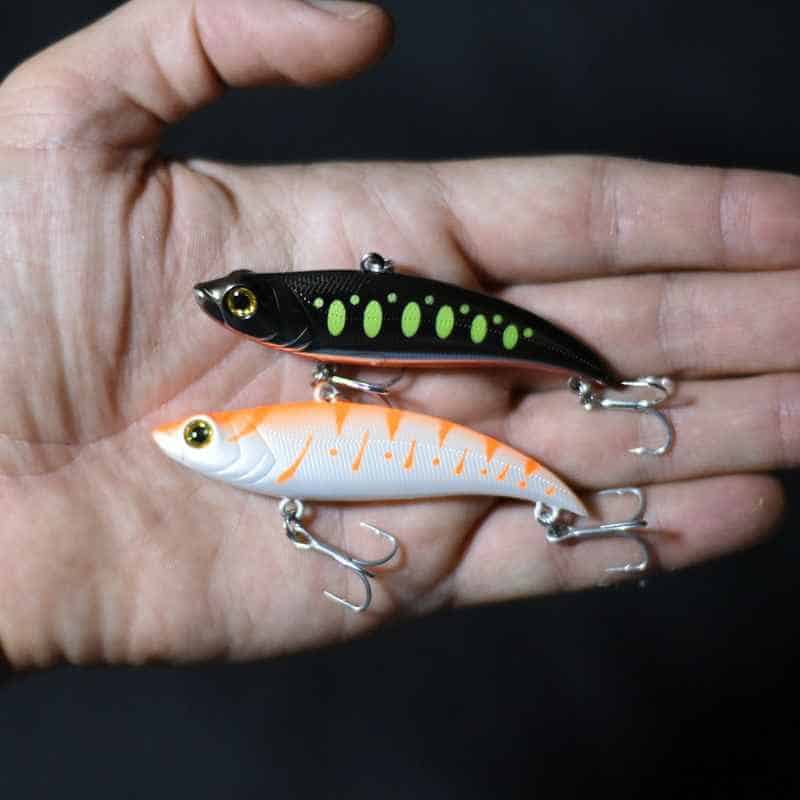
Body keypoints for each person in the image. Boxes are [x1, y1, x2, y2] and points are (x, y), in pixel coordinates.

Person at [0, 0, 796, 669]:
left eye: (241, 304)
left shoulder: (304, 331)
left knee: (526, 349)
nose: (223, 307)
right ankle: (592, 403)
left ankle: (595, 379)